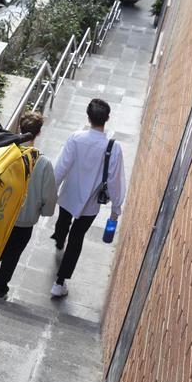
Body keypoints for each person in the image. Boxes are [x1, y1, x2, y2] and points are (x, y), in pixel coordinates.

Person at [50, 98, 126, 298]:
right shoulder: (113, 148)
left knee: (64, 219)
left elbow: (61, 167)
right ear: (107, 118)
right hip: (91, 203)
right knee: (77, 238)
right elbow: (115, 180)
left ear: (88, 116)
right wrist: (115, 210)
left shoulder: (76, 138)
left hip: (69, 194)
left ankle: (58, 239)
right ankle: (60, 282)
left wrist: (51, 190)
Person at [0, 111, 56, 298]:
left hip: (2, 214)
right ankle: (0, 285)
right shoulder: (43, 163)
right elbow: (49, 196)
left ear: (20, 128)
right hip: (24, 220)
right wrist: (43, 211)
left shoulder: (6, 153)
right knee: (13, 254)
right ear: (39, 133)